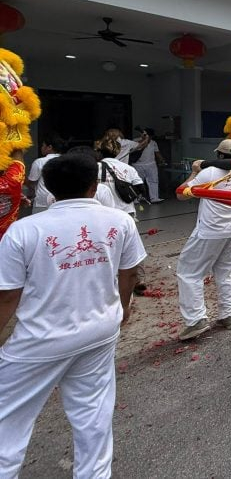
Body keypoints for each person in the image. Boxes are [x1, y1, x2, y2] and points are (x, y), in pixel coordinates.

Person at [0, 153, 145, 478]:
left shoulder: (24, 230)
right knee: (93, 414)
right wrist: (122, 309)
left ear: (48, 190)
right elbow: (130, 272)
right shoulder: (120, 222)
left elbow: (8, 295)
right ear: (95, 185)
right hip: (100, 330)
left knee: (7, 421)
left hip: (40, 340)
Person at [175, 140, 231, 341]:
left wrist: (194, 172)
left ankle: (196, 320)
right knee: (227, 273)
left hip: (210, 231)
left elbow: (181, 194)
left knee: (189, 273)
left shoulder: (208, 173)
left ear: (219, 156)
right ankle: (227, 315)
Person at [97, 136, 144, 217]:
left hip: (103, 212)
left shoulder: (95, 167)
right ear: (118, 152)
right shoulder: (129, 168)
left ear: (100, 151)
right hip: (127, 212)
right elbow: (141, 188)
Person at [25, 134, 65, 213]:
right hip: (62, 200)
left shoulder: (39, 162)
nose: (41, 148)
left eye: (43, 145)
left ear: (49, 147)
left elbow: (32, 182)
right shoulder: (67, 160)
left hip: (42, 202)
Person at [131, 128, 166, 203]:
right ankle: (137, 198)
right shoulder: (135, 141)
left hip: (151, 165)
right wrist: (144, 140)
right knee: (138, 181)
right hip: (138, 165)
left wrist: (162, 160)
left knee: (153, 181)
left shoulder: (153, 143)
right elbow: (134, 150)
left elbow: (157, 152)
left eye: (148, 135)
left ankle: (154, 198)